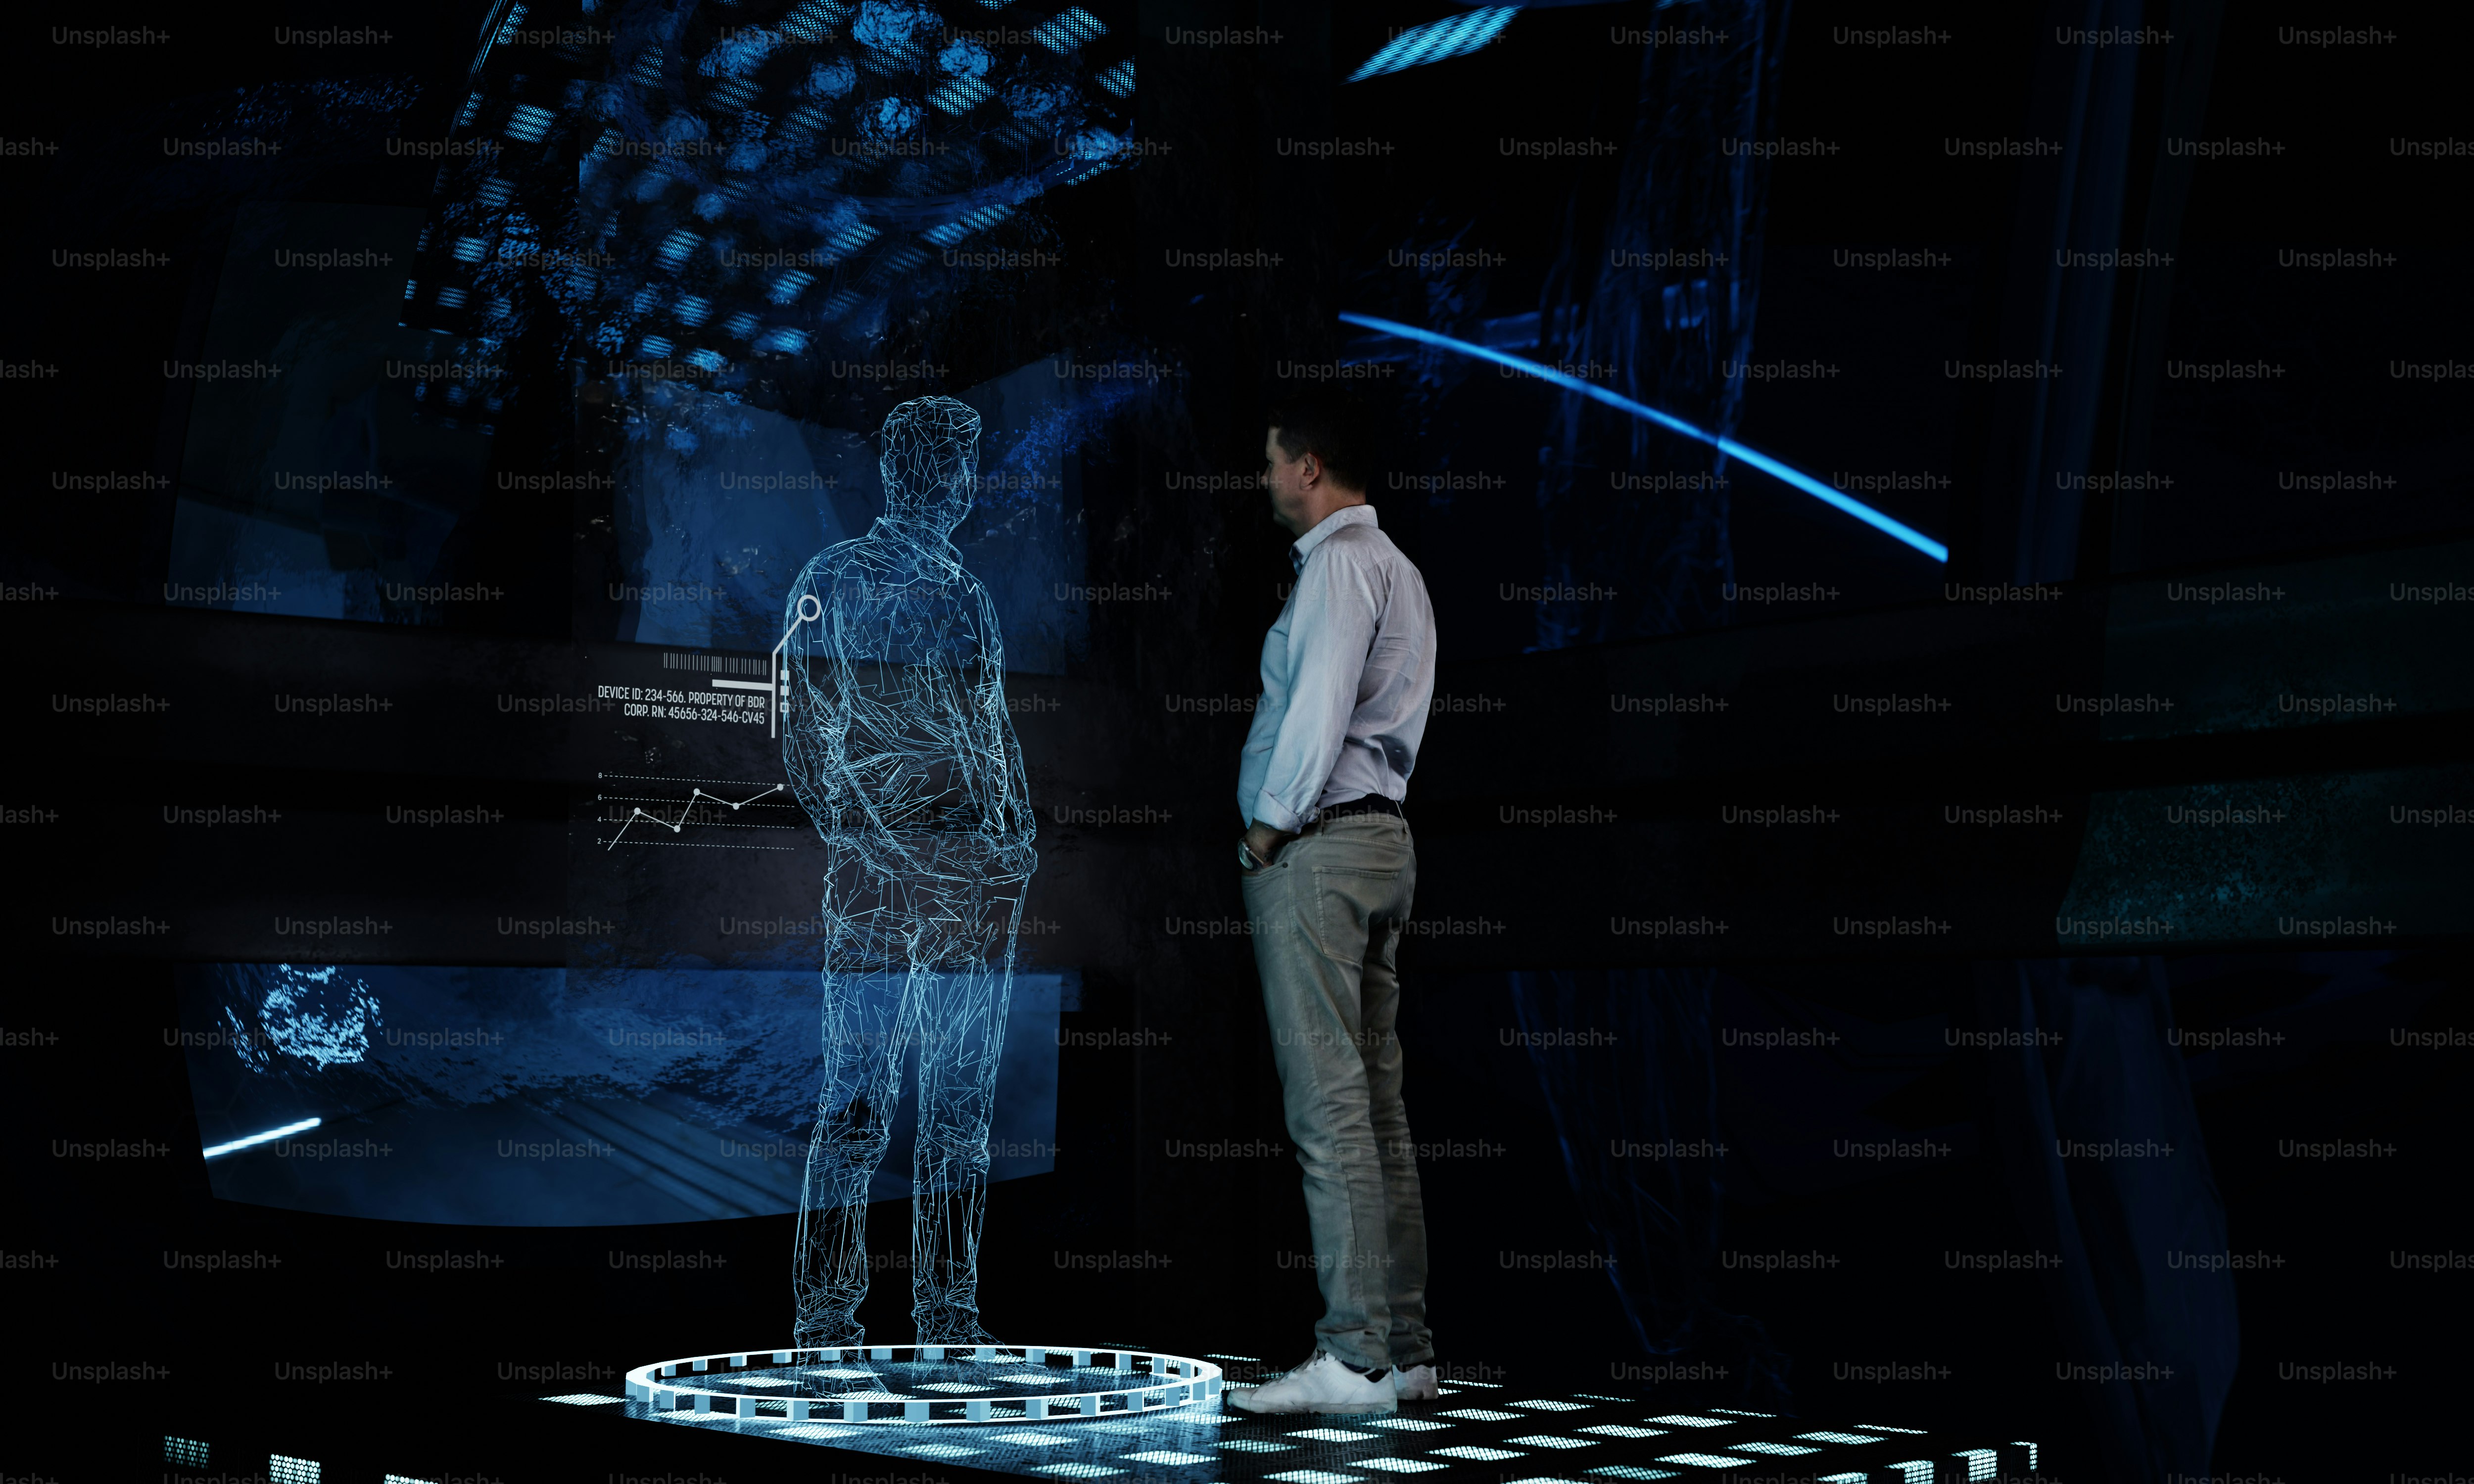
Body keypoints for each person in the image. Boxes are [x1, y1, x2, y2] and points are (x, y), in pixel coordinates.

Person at [781, 395, 1039, 1348]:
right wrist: (872, 839)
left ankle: (949, 1312)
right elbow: (805, 734)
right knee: (859, 1104)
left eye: (968, 466)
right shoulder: (834, 579)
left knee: (957, 1111)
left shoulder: (968, 594)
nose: (965, 484)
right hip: (882, 883)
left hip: (974, 884)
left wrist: (1017, 844)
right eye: (955, 465)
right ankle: (825, 1315)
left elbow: (994, 729)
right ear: (914, 472)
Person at [1230, 388, 1440, 1415]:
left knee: (1331, 1111)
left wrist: (1267, 831)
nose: (1265, 477)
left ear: (1307, 466)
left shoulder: (1338, 567)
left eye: (1273, 459)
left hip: (1320, 850)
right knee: (1378, 1112)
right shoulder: (1398, 566)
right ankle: (1403, 1355)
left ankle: (1353, 1361)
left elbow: (1315, 713)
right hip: (1382, 843)